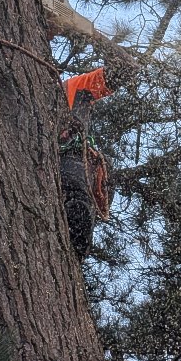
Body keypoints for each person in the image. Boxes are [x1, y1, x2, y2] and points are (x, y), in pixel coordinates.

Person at [59, 67, 113, 259]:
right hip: (63, 161)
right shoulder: (69, 87)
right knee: (77, 195)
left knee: (80, 201)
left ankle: (76, 250)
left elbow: (112, 76)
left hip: (72, 160)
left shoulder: (76, 88)